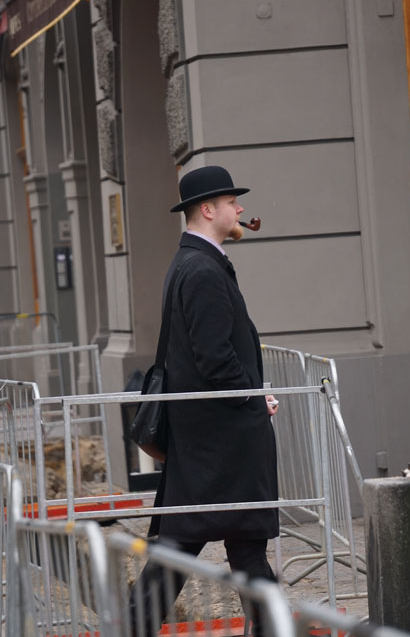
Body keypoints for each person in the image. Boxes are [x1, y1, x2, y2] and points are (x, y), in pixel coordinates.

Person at [133, 165, 279, 635]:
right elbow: (214, 358)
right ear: (208, 209)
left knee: (238, 547)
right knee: (188, 548)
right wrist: (252, 399)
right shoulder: (200, 269)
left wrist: (251, 396)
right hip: (219, 446)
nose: (240, 208)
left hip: (211, 443)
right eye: (232, 202)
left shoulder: (195, 262)